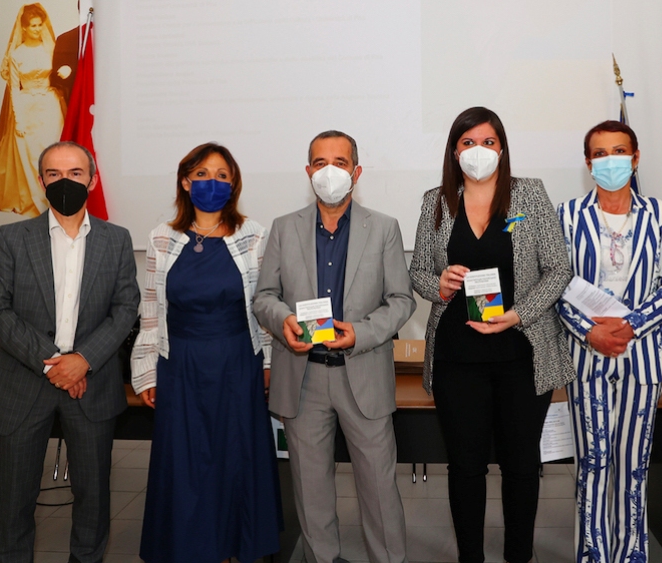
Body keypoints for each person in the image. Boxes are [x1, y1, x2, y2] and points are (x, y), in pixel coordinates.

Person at [409, 106, 574, 563]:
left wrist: (519, 314)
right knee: (466, 467)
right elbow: (418, 272)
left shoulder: (529, 195)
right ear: (454, 151)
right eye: (467, 142)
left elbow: (558, 269)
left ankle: (519, 555)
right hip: (457, 358)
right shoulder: (436, 202)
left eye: (487, 142)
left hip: (521, 353)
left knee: (521, 466)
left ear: (501, 149)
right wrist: (439, 285)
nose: (477, 150)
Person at [254, 130, 416, 563]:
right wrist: (284, 320)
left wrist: (360, 333)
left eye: (340, 163)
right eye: (321, 162)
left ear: (356, 172)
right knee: (311, 490)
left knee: (379, 488)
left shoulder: (383, 227)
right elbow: (264, 296)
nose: (330, 171)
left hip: (362, 372)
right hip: (302, 377)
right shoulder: (284, 227)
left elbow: (401, 300)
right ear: (308, 171)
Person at [130, 142, 282, 563]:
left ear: (233, 184)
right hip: (179, 367)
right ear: (185, 181)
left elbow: (265, 304)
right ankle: (190, 549)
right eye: (201, 174)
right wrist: (146, 371)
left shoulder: (254, 235)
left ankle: (234, 548)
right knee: (186, 465)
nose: (211, 182)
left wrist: (269, 361)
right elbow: (151, 311)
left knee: (235, 460)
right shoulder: (161, 238)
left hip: (239, 364)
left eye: (221, 175)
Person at [0, 141, 140, 563]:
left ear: (92, 181)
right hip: (23, 384)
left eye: (76, 173)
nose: (65, 181)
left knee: (93, 499)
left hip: (91, 384)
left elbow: (125, 307)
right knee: (12, 502)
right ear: (41, 181)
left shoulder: (117, 239)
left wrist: (83, 360)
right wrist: (53, 364)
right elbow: (0, 310)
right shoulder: (9, 239)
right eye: (55, 174)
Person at [557, 120, 662, 563]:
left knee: (634, 467)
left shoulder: (661, 214)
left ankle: (632, 554)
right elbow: (554, 284)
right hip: (586, 356)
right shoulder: (567, 215)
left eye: (619, 151)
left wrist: (632, 325)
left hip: (643, 356)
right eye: (600, 153)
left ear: (635, 158)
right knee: (592, 464)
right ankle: (591, 555)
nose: (610, 160)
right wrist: (590, 331)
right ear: (588, 162)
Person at [0, 3, 65, 217]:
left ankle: (58, 198)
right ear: (24, 28)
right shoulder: (16, 55)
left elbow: (60, 70)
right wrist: (18, 120)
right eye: (33, 26)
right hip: (27, 107)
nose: (37, 29)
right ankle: (40, 200)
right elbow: (15, 90)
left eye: (39, 25)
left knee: (53, 149)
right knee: (32, 153)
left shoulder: (50, 48)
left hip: (50, 104)